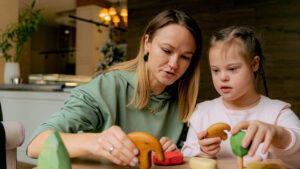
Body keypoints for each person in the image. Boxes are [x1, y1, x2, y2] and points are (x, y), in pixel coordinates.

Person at [27, 9, 202, 167]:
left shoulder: (184, 101)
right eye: (166, 50)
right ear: (146, 43)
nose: (174, 64)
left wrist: (172, 152)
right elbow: (36, 144)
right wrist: (95, 142)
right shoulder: (107, 87)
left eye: (185, 57)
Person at [181, 26, 300, 168]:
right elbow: (186, 156)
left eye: (232, 69)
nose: (223, 77)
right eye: (216, 70)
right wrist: (202, 151)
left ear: (254, 64)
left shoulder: (278, 113)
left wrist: (279, 135)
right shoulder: (202, 112)